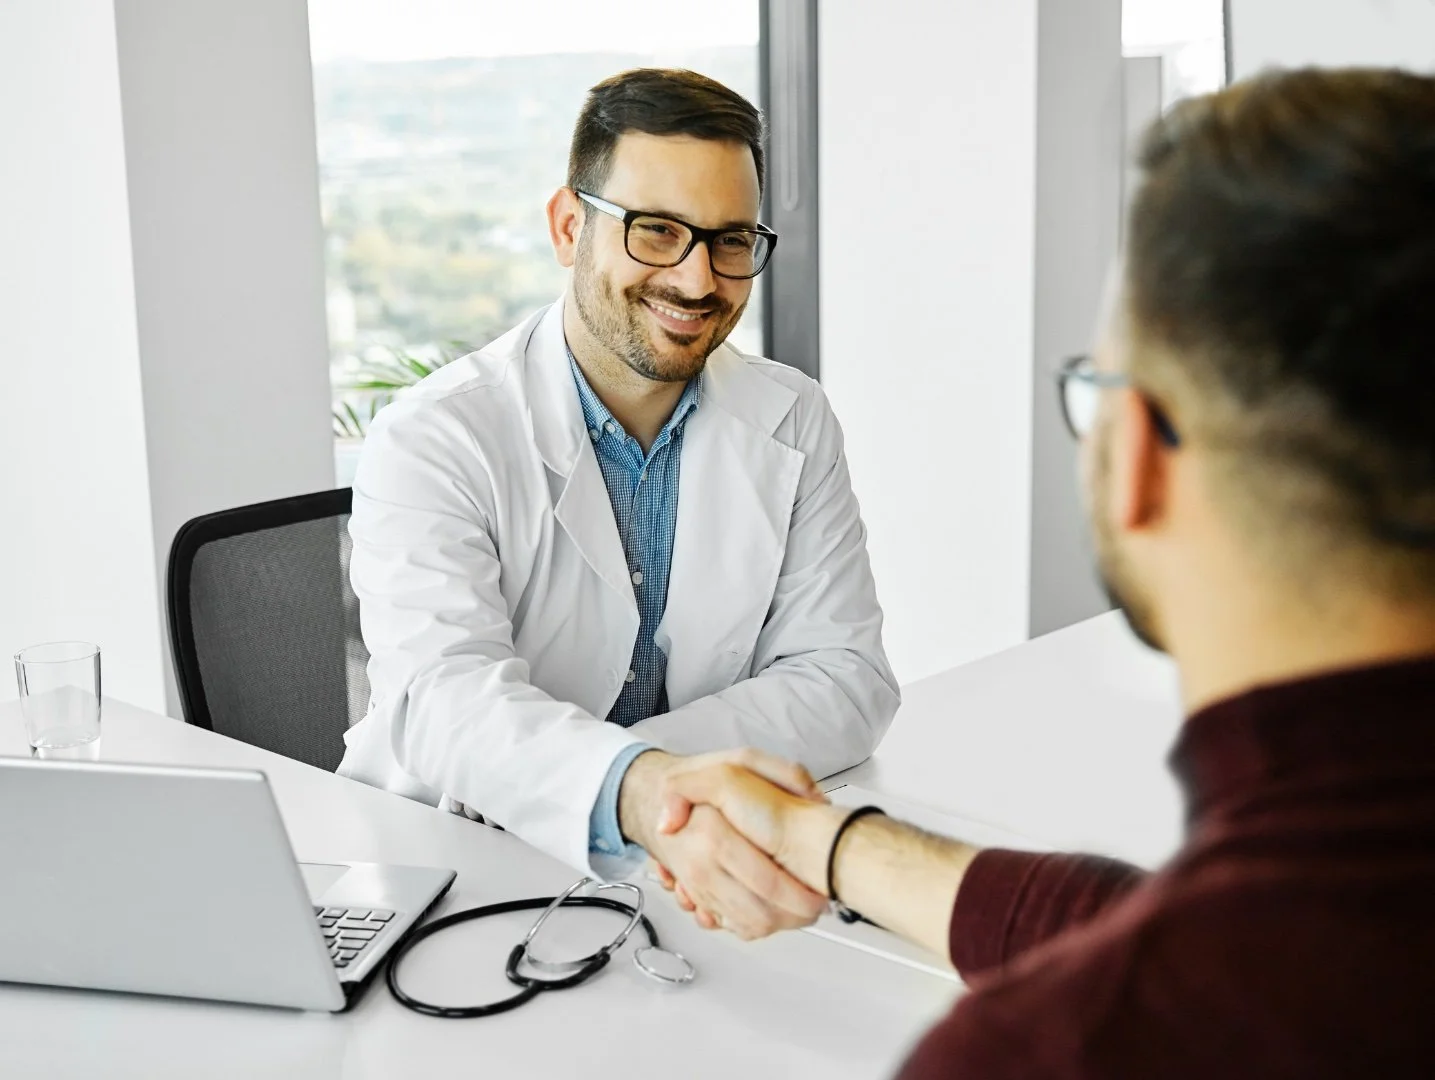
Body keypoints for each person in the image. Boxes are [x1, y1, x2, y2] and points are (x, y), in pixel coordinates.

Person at [656, 67, 1435, 1075]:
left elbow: (1198, 955)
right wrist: (828, 843)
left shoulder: (1044, 1052)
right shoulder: (1339, 912)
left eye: (1098, 385)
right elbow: (1194, 924)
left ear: (1142, 459)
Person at [336, 67, 898, 938]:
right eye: (658, 231)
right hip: (451, 865)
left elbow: (846, 683)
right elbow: (446, 703)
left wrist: (648, 794)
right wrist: (647, 786)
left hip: (687, 868)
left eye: (730, 239)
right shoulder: (435, 435)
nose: (698, 277)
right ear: (569, 226)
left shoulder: (793, 419)